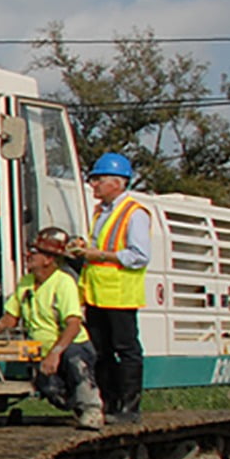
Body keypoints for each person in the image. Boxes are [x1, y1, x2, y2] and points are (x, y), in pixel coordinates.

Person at [0, 227, 104, 430]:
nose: (29, 256)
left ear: (48, 259)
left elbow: (73, 324)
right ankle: (73, 405)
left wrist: (55, 353)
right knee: (50, 388)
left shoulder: (63, 283)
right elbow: (11, 317)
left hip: (71, 345)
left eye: (34, 253)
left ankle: (92, 408)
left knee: (74, 361)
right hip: (43, 352)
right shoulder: (26, 283)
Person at [69, 151, 150, 424]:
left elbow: (139, 255)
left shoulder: (134, 214)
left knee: (126, 350)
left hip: (121, 294)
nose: (93, 184)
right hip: (97, 294)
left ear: (117, 182)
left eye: (98, 179)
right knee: (101, 352)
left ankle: (129, 408)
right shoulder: (101, 213)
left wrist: (99, 256)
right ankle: (109, 404)